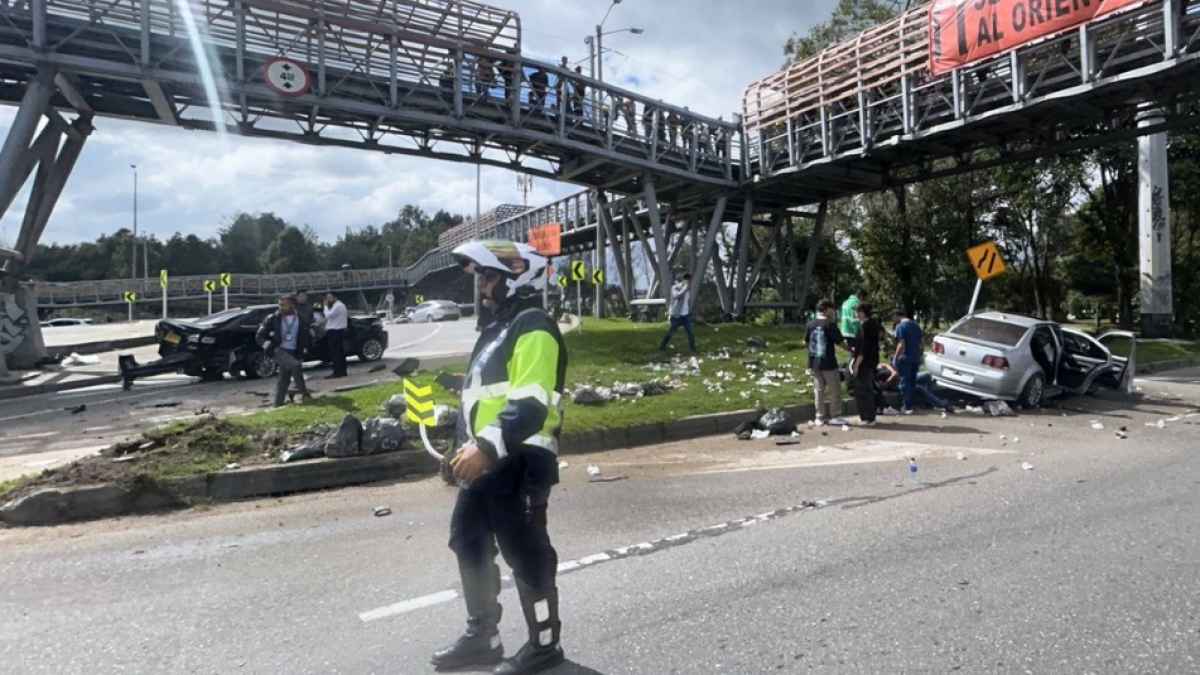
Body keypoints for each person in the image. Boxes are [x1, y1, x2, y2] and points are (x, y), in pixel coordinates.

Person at [431, 240, 568, 675]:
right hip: (485, 465)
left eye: (488, 277)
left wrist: (486, 447)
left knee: (527, 556)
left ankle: (545, 647)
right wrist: (458, 386)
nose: (481, 287)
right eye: (480, 278)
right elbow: (495, 392)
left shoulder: (533, 326)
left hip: (519, 462)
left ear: (518, 277)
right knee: (467, 543)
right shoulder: (496, 332)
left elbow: (529, 404)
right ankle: (483, 637)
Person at [256, 295, 311, 407]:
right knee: (296, 366)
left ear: (292, 305)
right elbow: (259, 336)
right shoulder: (272, 319)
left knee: (284, 378)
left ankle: (278, 403)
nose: (281, 307)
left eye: (284, 305)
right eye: (279, 305)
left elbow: (305, 337)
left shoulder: (301, 319)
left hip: (294, 350)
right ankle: (305, 395)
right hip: (279, 350)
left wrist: (303, 351)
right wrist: (270, 347)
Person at [806, 299, 852, 426]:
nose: (834, 311)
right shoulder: (830, 324)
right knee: (834, 390)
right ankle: (835, 415)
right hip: (829, 363)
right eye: (832, 309)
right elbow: (841, 342)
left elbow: (806, 343)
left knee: (818, 391)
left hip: (814, 362)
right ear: (826, 309)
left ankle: (819, 417)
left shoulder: (810, 324)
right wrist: (852, 350)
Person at [850, 302, 883, 426]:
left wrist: (857, 364)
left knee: (863, 389)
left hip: (865, 362)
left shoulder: (866, 327)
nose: (856, 314)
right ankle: (867, 416)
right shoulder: (872, 324)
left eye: (858, 311)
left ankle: (868, 417)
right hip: (871, 360)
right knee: (866, 388)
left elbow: (863, 348)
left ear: (863, 312)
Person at [890, 308, 924, 415]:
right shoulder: (915, 325)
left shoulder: (900, 326)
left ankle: (907, 406)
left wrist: (895, 357)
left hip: (905, 357)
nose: (892, 320)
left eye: (892, 317)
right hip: (915, 357)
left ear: (896, 315)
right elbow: (921, 342)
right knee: (913, 381)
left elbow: (901, 343)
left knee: (904, 382)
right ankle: (912, 405)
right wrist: (920, 354)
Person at [658, 273, 696, 353]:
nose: (689, 283)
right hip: (676, 316)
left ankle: (692, 349)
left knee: (690, 333)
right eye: (688, 281)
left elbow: (687, 301)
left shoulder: (688, 290)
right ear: (684, 280)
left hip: (686, 316)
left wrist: (689, 311)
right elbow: (677, 296)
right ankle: (662, 346)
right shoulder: (675, 288)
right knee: (671, 332)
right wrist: (685, 287)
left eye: (690, 281)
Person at [323, 292, 348, 379]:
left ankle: (338, 371)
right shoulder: (339, 305)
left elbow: (328, 315)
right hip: (337, 330)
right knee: (339, 352)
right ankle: (342, 371)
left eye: (329, 297)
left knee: (336, 353)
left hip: (335, 331)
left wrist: (325, 306)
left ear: (335, 297)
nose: (328, 300)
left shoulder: (338, 306)